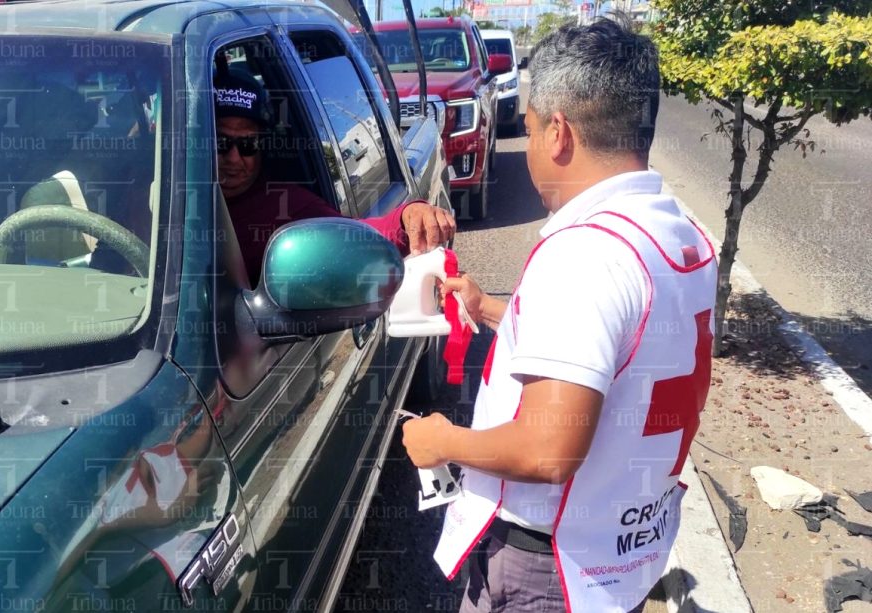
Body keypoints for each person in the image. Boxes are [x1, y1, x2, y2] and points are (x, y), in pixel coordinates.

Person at [402, 17, 718, 613]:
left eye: (528, 126)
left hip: (546, 571)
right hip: (621, 545)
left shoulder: (584, 254)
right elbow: (621, 344)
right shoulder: (679, 233)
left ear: (558, 133)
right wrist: (490, 307)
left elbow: (549, 449)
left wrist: (441, 439)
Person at [213, 70, 455, 286]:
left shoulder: (285, 206)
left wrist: (406, 218)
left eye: (248, 144)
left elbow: (353, 238)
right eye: (221, 143)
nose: (234, 158)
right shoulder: (176, 199)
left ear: (263, 147)